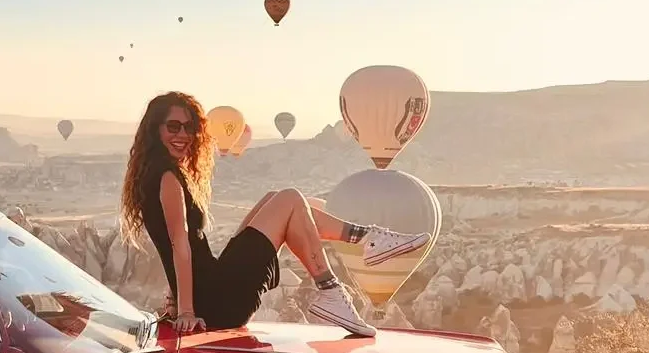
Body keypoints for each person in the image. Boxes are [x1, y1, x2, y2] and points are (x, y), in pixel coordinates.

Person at [119, 92, 432, 338]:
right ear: (155, 129)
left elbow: (177, 244)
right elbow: (178, 245)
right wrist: (186, 311)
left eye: (190, 127)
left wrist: (181, 297)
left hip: (212, 290)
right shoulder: (168, 178)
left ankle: (367, 239)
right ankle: (331, 290)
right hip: (216, 301)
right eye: (173, 126)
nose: (183, 135)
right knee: (290, 199)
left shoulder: (157, 175)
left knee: (281, 201)